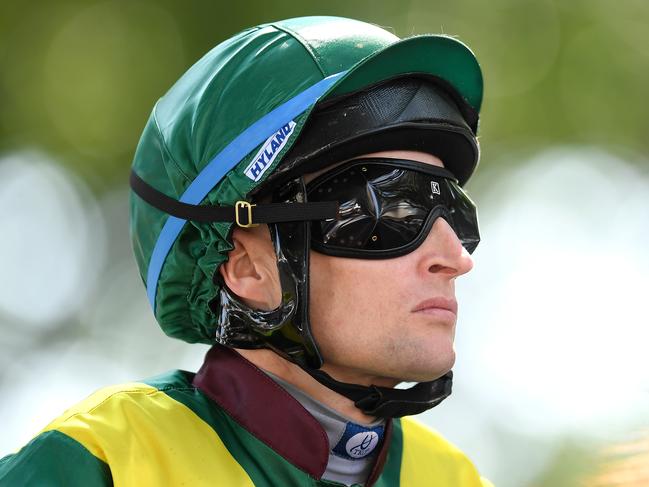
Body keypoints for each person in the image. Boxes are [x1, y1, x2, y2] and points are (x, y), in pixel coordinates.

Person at [0, 16, 492, 486]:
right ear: (245, 265)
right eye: (393, 209)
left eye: (456, 213)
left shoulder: (459, 479)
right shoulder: (97, 465)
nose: (457, 258)